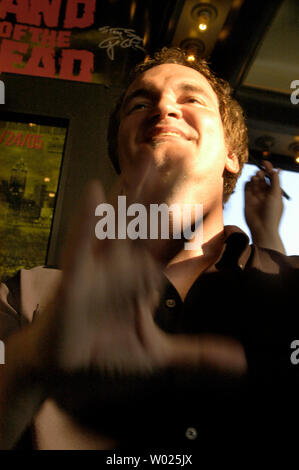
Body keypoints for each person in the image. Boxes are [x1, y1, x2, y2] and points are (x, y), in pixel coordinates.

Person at [0, 47, 297, 452]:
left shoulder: (290, 287)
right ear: (119, 153)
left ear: (231, 155)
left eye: (191, 98)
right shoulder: (24, 294)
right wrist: (29, 363)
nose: (164, 108)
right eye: (140, 103)